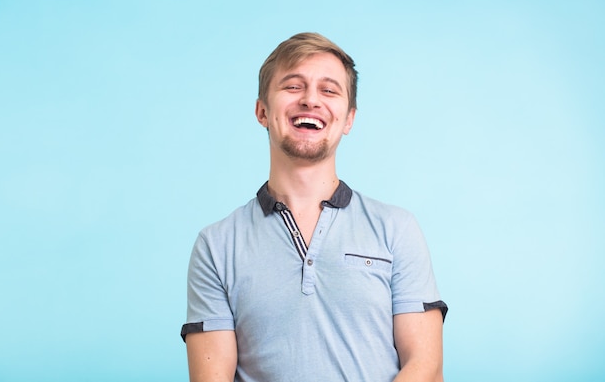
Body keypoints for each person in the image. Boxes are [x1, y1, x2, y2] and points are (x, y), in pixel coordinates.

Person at [180, 32, 448, 382]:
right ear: (262, 111)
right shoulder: (215, 245)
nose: (310, 100)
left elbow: (426, 368)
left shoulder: (396, 229)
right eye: (293, 86)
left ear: (348, 119)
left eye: (329, 90)